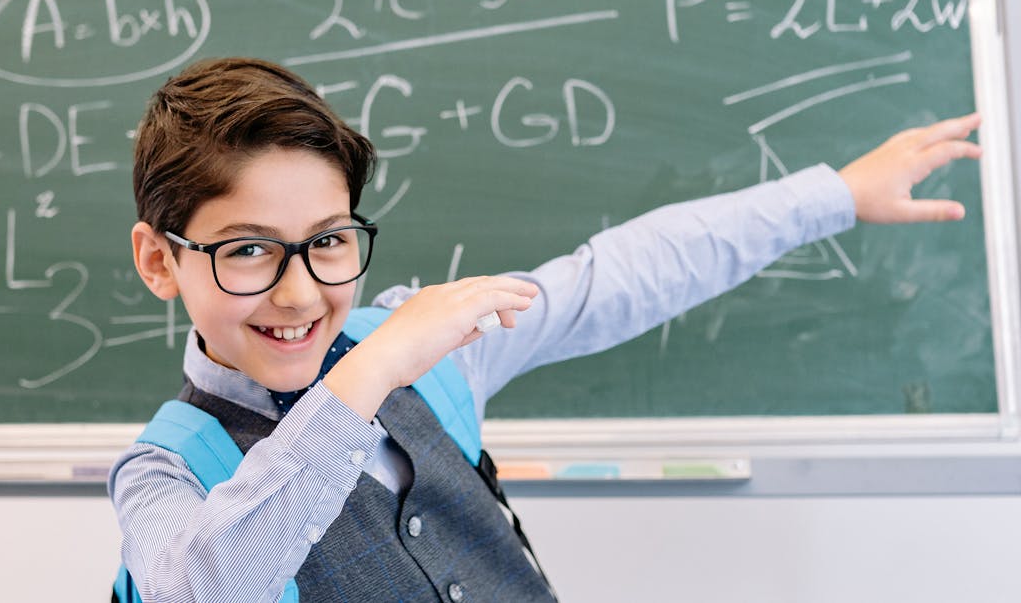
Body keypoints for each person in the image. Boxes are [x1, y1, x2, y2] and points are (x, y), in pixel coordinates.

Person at [109, 57, 981, 602]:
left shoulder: (427, 349)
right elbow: (207, 586)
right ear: (160, 261)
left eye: (331, 242)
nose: (300, 293)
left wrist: (834, 195)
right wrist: (368, 371)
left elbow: (619, 274)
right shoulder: (163, 472)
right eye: (250, 250)